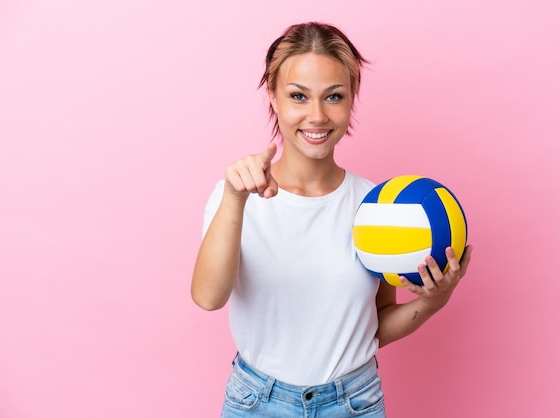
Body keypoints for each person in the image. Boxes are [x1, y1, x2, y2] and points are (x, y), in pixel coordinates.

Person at [191, 22, 473, 417]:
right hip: (257, 403)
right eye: (298, 96)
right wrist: (236, 198)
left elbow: (373, 327)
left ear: (351, 99)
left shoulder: (377, 208)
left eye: (334, 96)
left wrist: (432, 302)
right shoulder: (235, 193)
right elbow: (208, 298)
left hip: (354, 403)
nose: (317, 116)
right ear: (273, 97)